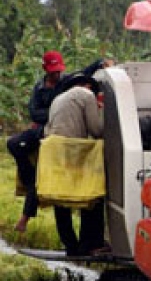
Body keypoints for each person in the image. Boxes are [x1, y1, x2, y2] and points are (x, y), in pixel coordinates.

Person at [6, 51, 110, 232]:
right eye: (52, 72)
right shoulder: (40, 89)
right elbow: (34, 113)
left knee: (53, 188)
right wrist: (58, 113)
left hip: (55, 134)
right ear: (45, 69)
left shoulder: (67, 83)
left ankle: (28, 207)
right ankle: (28, 176)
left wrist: (100, 62)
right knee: (14, 144)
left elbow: (84, 72)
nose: (56, 75)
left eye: (58, 71)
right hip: (44, 130)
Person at [43, 75, 107, 256]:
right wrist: (102, 110)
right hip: (73, 150)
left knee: (61, 199)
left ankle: (70, 244)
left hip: (54, 151)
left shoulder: (58, 98)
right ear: (88, 86)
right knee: (92, 195)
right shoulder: (86, 95)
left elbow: (49, 128)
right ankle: (91, 244)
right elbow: (97, 130)